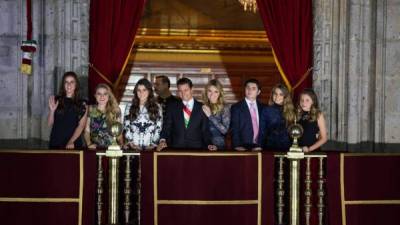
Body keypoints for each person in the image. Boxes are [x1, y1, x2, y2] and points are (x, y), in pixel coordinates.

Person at [158, 77, 215, 151]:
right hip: (176, 149)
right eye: (180, 91)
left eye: (186, 90)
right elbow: (166, 127)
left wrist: (209, 144)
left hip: (197, 150)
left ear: (192, 90)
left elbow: (205, 131)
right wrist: (162, 140)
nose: (183, 93)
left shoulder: (202, 108)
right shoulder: (172, 107)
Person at [48, 71, 87, 149]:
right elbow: (49, 124)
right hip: (56, 142)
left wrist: (71, 141)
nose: (69, 85)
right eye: (66, 82)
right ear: (63, 85)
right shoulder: (56, 100)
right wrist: (52, 111)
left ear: (76, 85)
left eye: (72, 82)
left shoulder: (83, 103)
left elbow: (81, 126)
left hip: (73, 144)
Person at [124, 78, 162, 150]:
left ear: (149, 91)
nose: (141, 93)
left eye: (144, 90)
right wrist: (131, 143)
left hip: (150, 148)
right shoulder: (129, 106)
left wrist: (152, 145)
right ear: (136, 91)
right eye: (139, 90)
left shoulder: (157, 107)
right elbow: (127, 127)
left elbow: (158, 128)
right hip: (133, 148)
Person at [84, 83, 121, 150]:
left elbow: (119, 133)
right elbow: (87, 130)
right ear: (95, 95)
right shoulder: (90, 109)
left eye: (105, 94)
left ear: (108, 96)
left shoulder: (115, 110)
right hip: (94, 149)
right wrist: (89, 144)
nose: (102, 96)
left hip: (112, 149)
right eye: (99, 94)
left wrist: (121, 145)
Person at [259, 84, 295, 151]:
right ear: (272, 95)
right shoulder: (266, 110)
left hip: (287, 148)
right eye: (275, 93)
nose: (277, 96)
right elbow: (262, 131)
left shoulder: (291, 110)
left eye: (281, 94)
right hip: (270, 147)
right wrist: (259, 146)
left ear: (285, 96)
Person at [230, 79, 264, 151]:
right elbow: (234, 128)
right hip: (242, 147)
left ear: (258, 92)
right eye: (247, 87)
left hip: (260, 146)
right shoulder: (236, 107)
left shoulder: (263, 108)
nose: (250, 90)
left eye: (253, 88)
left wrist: (262, 145)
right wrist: (237, 145)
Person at [202, 79, 230, 150]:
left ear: (220, 93)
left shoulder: (225, 108)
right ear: (206, 92)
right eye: (210, 91)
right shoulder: (202, 106)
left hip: (219, 146)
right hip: (203, 145)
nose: (212, 94)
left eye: (216, 92)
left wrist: (210, 116)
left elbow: (224, 130)